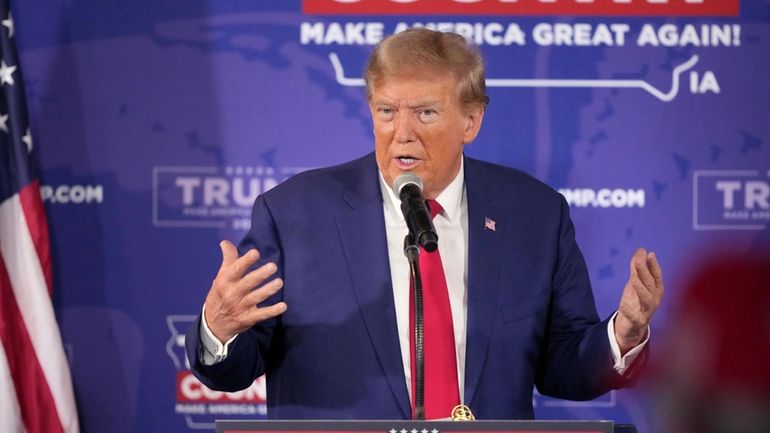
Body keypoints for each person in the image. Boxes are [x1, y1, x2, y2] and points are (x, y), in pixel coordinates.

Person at [186, 28, 664, 420]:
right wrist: (219, 328)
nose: (402, 133)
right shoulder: (293, 214)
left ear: (471, 121)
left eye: (426, 113)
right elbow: (233, 369)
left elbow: (564, 368)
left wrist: (621, 336)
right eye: (387, 111)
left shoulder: (534, 214)